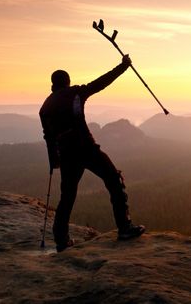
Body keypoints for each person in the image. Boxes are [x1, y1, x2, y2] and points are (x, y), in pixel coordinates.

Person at [39, 55, 145, 252]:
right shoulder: (76, 93)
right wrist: (123, 67)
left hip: (66, 154)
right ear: (67, 81)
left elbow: (48, 137)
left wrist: (54, 160)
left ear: (53, 84)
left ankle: (61, 240)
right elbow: (101, 83)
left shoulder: (45, 107)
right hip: (85, 147)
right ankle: (124, 227)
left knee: (67, 196)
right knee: (114, 179)